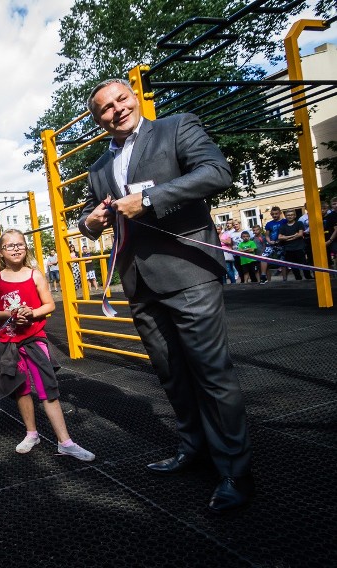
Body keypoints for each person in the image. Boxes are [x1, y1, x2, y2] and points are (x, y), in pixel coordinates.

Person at [78, 78, 253, 514]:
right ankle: (192, 448)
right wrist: (92, 222)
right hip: (139, 281)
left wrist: (150, 199)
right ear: (99, 120)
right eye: (105, 108)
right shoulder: (100, 166)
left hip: (189, 271)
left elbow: (216, 172)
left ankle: (234, 470)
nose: (116, 109)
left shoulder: (176, 127)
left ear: (133, 99)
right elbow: (87, 216)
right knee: (172, 373)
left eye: (121, 99)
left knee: (212, 374)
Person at [0, 229, 95, 461]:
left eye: (20, 244)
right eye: (10, 246)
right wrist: (10, 313)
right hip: (10, 342)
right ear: (1, 252)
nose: (15, 249)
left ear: (26, 248)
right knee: (21, 389)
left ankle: (65, 442)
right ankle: (31, 433)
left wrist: (32, 313)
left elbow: (49, 305)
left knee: (47, 389)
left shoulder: (35, 275)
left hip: (34, 339)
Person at [277, 209, 305, 280]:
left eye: (292, 215)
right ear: (285, 216)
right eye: (288, 215)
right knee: (294, 266)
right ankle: (298, 279)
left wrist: (286, 238)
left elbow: (300, 234)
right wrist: (293, 236)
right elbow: (280, 237)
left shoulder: (299, 223)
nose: (290, 216)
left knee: (304, 264)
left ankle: (308, 278)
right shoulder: (283, 226)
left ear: (295, 216)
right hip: (289, 249)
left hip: (299, 247)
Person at [262, 206, 286, 284]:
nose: (275, 215)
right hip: (271, 244)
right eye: (273, 214)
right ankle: (263, 276)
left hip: (281, 243)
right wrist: (269, 241)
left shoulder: (284, 221)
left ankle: (284, 278)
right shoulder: (269, 224)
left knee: (282, 261)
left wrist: (281, 240)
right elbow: (267, 235)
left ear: (280, 213)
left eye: (276, 214)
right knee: (263, 257)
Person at [219, 220, 237, 284]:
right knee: (221, 270)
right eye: (216, 229)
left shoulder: (226, 234)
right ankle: (224, 284)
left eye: (219, 229)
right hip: (218, 254)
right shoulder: (214, 235)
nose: (217, 230)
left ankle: (233, 283)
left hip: (226, 253)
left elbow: (229, 242)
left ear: (221, 229)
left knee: (229, 269)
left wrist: (220, 239)